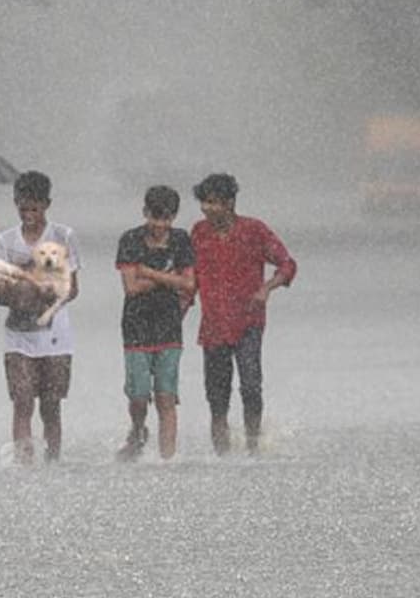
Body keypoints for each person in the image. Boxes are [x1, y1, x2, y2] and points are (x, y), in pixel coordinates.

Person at [186, 173, 297, 456]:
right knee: (217, 396)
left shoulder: (254, 231)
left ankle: (253, 447)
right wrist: (180, 308)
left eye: (213, 203)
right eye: (204, 203)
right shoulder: (198, 233)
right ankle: (222, 453)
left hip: (248, 322)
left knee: (250, 386)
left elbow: (286, 264)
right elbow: (190, 277)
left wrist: (267, 288)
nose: (207, 209)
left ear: (230, 203)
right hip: (213, 326)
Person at [0, 170, 80, 464]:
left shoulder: (63, 236)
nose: (28, 214)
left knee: (51, 405)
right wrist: (16, 287)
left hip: (56, 337)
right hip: (18, 335)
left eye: (35, 208)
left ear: (47, 205)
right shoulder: (5, 241)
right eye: (23, 207)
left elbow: (72, 289)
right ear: (15, 203)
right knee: (22, 401)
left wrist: (45, 288)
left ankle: (53, 461)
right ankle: (23, 462)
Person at [114, 185, 195, 462]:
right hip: (136, 328)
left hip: (170, 327)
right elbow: (131, 287)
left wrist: (148, 272)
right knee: (138, 396)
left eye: (166, 219)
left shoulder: (182, 240)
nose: (160, 225)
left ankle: (166, 460)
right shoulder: (130, 240)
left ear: (174, 217)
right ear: (145, 213)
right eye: (155, 218)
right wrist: (167, 278)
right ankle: (137, 431)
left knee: (166, 396)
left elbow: (188, 282)